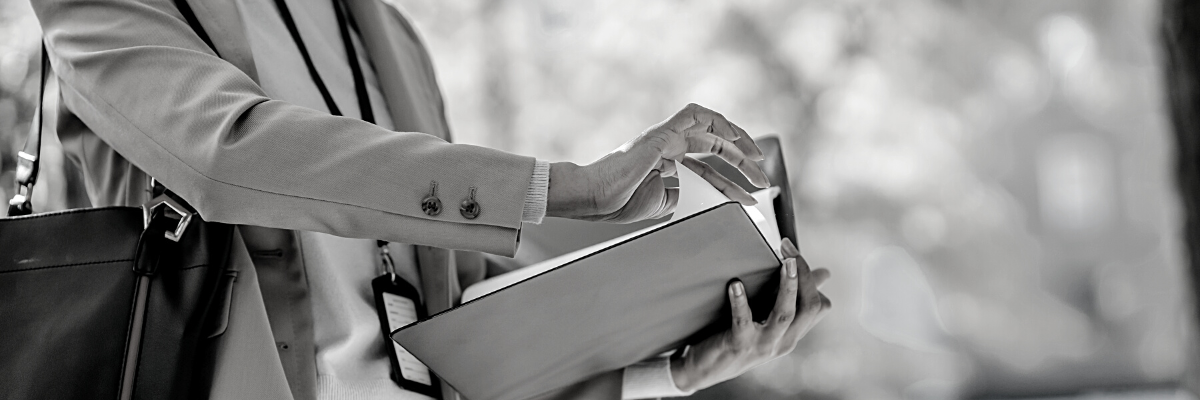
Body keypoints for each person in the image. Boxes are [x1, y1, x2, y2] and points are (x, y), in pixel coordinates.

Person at [28, 0, 832, 398]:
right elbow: (221, 153)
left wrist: (674, 370)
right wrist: (564, 187)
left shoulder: (390, 37)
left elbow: (454, 323)